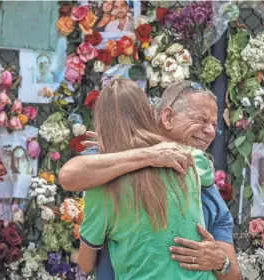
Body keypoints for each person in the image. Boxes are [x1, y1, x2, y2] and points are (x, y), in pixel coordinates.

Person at [60, 80, 241, 280]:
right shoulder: (106, 167)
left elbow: (234, 276)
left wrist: (221, 262)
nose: (210, 131)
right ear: (165, 117)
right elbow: (69, 175)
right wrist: (148, 154)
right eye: (200, 119)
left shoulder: (104, 178)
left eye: (214, 124)